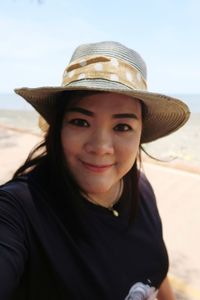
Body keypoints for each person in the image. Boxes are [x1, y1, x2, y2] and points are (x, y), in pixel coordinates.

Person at [0, 41, 190, 300]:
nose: (101, 147)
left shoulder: (140, 187)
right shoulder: (18, 210)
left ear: (140, 135)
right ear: (57, 129)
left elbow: (155, 272)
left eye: (122, 127)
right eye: (80, 122)